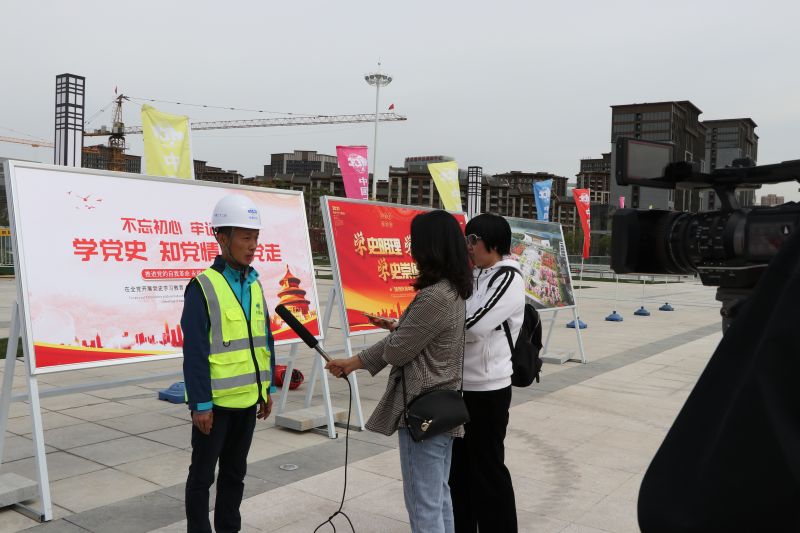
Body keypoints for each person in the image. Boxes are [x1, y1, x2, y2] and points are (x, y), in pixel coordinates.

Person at [325, 210, 473, 533]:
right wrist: (356, 361)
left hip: (424, 410)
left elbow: (397, 350)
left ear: (431, 247)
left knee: (424, 506)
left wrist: (396, 334)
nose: (411, 250)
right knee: (439, 498)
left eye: (415, 243)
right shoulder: (452, 290)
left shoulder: (435, 296)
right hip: (443, 407)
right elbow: (413, 338)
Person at [181, 194, 277, 533]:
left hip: (248, 401)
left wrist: (266, 389)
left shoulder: (255, 284)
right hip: (215, 407)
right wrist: (201, 404)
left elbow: (265, 340)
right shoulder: (202, 287)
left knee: (235, 475)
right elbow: (194, 352)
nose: (253, 246)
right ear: (222, 238)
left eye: (256, 238)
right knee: (202, 477)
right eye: (245, 238)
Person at [449, 213, 525, 533]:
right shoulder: (475, 275)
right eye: (466, 239)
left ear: (492, 243)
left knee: (488, 471)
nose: (468, 246)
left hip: (488, 390)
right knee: (459, 471)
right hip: (461, 386)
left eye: (473, 239)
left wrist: (435, 330)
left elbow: (474, 326)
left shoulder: (508, 279)